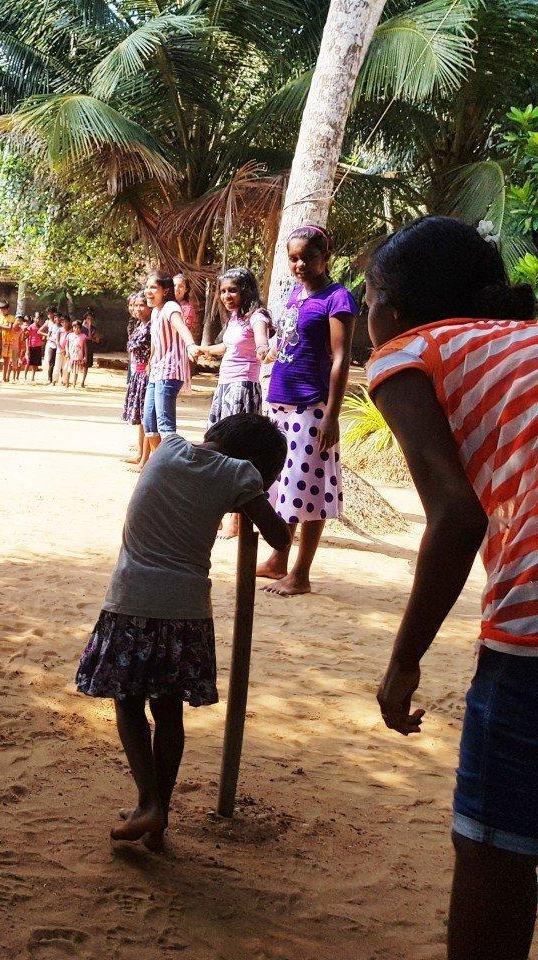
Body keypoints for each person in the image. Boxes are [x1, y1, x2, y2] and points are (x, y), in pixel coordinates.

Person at [363, 216, 538, 960]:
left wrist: (404, 663)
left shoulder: (407, 352)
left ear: (392, 310)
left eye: (367, 292)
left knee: (497, 851)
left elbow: (456, 515)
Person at [75, 414, 289, 851]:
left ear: (215, 435)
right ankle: (158, 810)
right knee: (168, 709)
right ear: (257, 464)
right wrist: (251, 494)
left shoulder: (167, 447)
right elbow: (279, 537)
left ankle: (148, 803)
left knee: (129, 702)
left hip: (131, 598)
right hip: (184, 610)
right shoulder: (239, 474)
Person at [256, 225, 355, 597]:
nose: (299, 264)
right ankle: (278, 559)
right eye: (293, 258)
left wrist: (331, 412)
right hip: (282, 400)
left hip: (312, 406)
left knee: (309, 489)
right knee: (285, 486)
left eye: (307, 257)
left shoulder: (338, 298)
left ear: (324, 257)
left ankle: (301, 574)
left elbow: (342, 357)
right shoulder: (295, 294)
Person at [193, 267, 271, 538]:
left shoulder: (257, 316)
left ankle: (236, 521)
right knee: (217, 446)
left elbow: (261, 342)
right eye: (223, 291)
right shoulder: (235, 319)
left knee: (237, 451)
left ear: (246, 290)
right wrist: (204, 350)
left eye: (232, 290)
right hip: (225, 388)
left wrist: (264, 350)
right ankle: (218, 511)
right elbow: (228, 348)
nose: (226, 296)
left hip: (243, 389)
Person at [141, 270, 197, 463]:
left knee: (165, 424)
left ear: (165, 291)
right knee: (149, 420)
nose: (148, 291)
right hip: (156, 371)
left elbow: (181, 327)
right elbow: (156, 343)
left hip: (170, 370)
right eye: (147, 287)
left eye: (153, 287)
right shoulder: (155, 312)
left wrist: (190, 345)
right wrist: (150, 362)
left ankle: (171, 466)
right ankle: (159, 465)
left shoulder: (171, 307)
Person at [123, 292, 152, 465]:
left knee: (147, 418)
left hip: (147, 374)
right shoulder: (139, 326)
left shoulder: (152, 326)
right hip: (138, 374)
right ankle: (141, 453)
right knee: (141, 418)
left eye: (142, 305)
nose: (137, 309)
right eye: (134, 306)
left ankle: (145, 460)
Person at [43, 306, 63, 384]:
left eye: (58, 318)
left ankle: (61, 379)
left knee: (60, 363)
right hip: (52, 346)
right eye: (55, 318)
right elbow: (48, 336)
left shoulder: (62, 327)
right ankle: (49, 379)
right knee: (51, 362)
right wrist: (52, 339)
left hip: (60, 347)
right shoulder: (52, 326)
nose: (56, 319)